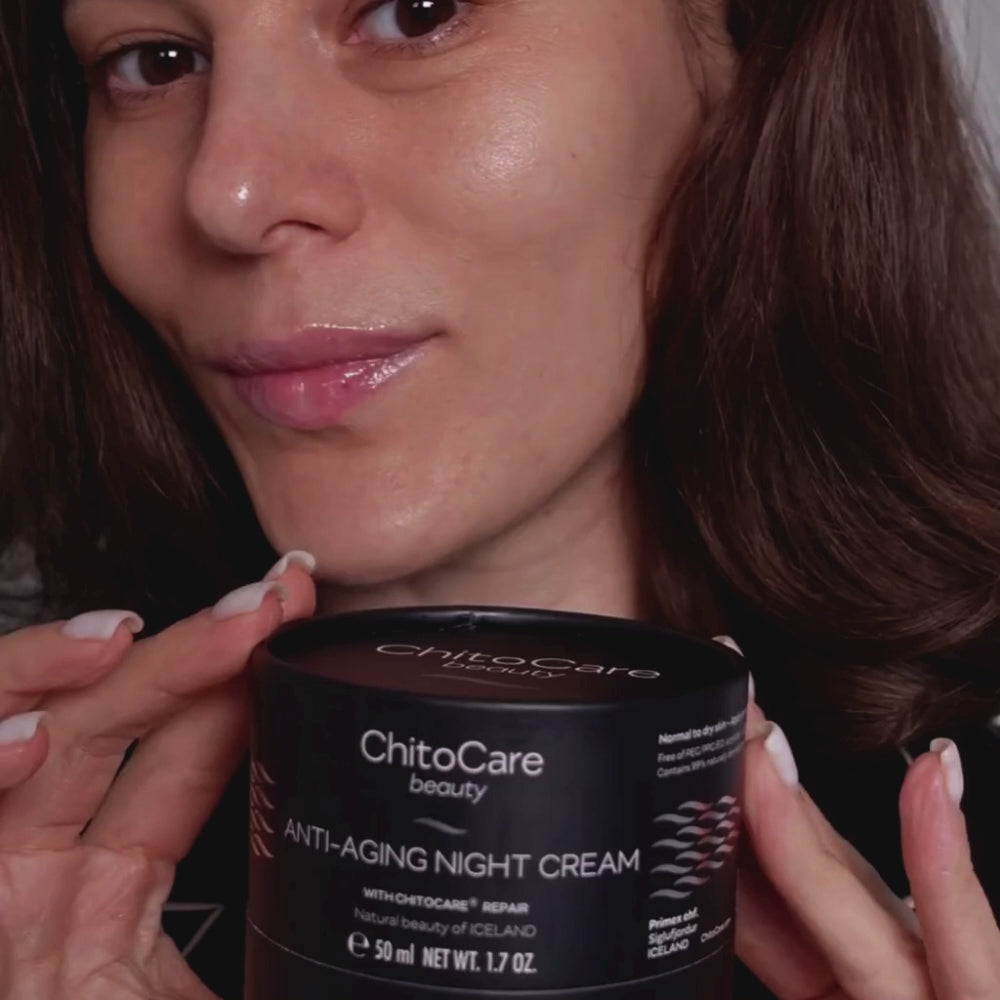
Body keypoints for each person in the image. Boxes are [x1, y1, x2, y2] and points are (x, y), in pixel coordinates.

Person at [0, 0, 998, 997]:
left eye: (415, 13)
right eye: (155, 61)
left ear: (740, 40)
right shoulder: (43, 867)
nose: (228, 195)